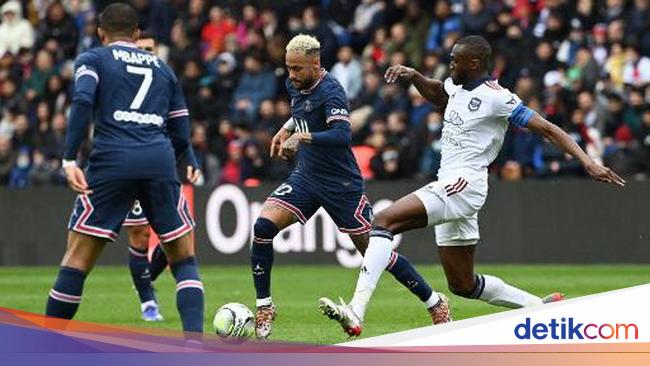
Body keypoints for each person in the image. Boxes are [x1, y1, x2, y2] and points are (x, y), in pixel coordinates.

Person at [319, 35, 625, 336]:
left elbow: (546, 128)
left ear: (475, 63)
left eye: (455, 60)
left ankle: (356, 311)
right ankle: (539, 307)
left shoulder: (497, 96)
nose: (450, 64)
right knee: (463, 284)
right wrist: (414, 76)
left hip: (463, 183)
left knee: (382, 223)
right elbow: (440, 94)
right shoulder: (457, 86)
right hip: (453, 183)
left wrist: (588, 162)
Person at [251, 34, 449, 340]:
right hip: (306, 177)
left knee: (376, 251)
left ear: (316, 64)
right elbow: (301, 111)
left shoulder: (331, 91)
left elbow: (342, 135)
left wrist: (303, 138)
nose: (291, 75)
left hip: (341, 184)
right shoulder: (296, 84)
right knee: (263, 227)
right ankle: (264, 306)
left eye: (297, 69)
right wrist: (286, 128)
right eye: (288, 68)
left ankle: (434, 302)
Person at [45, 4, 205, 336]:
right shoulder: (163, 67)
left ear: (101, 33)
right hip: (158, 160)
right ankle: (195, 344)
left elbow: (83, 102)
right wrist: (189, 158)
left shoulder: (93, 59)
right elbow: (179, 122)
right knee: (183, 258)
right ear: (136, 34)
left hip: (112, 160)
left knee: (77, 258)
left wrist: (69, 158)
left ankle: (46, 344)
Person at [123, 31, 198, 323]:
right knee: (140, 235)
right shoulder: (122, 83)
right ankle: (148, 302)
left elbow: (179, 124)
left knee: (183, 234)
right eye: (140, 48)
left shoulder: (165, 81)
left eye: (151, 48)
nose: (146, 53)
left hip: (162, 167)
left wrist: (189, 157)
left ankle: (145, 278)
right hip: (128, 167)